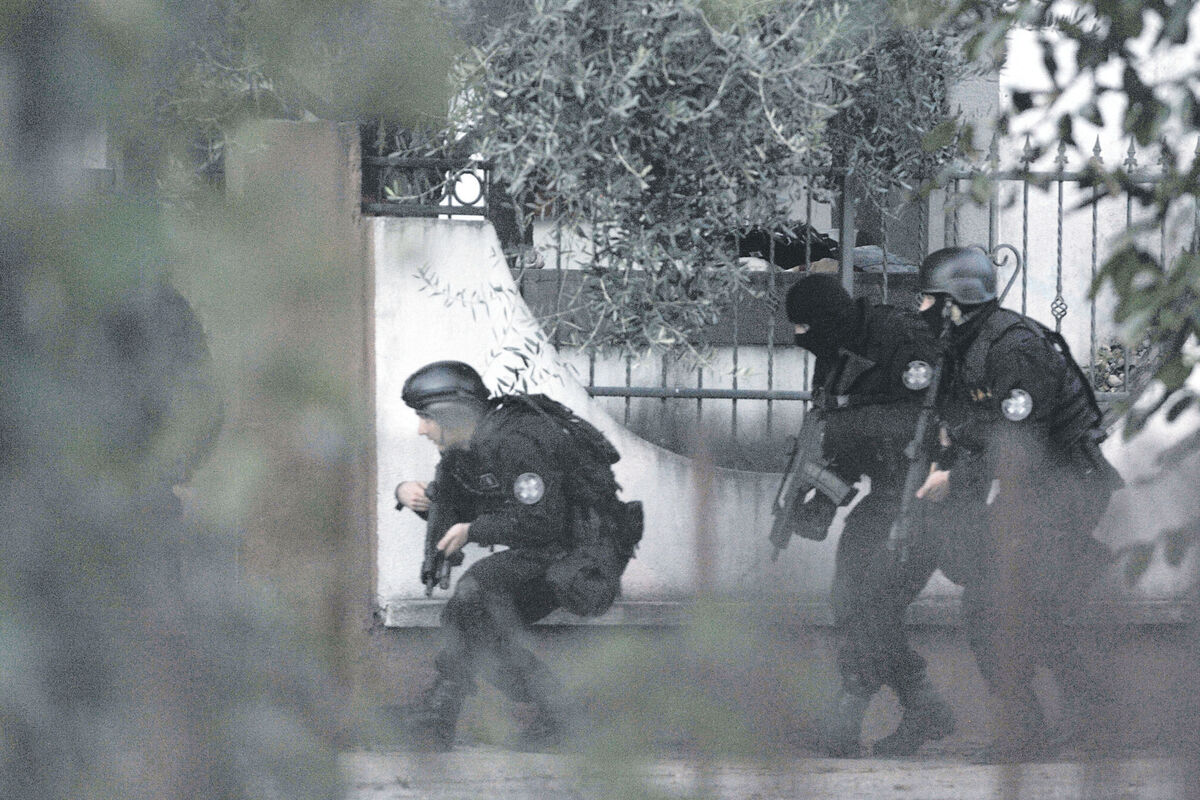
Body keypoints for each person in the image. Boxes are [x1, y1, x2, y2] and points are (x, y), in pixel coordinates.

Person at [914, 247, 1123, 762]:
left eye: (929, 299)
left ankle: (1030, 730)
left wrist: (955, 474)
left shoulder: (1015, 348)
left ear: (955, 302)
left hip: (1066, 485)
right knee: (1029, 610)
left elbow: (1019, 441)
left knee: (991, 606)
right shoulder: (965, 343)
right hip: (1034, 489)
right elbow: (970, 425)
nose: (921, 308)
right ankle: (1095, 715)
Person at [392, 360, 640, 751]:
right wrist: (409, 494)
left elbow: (542, 522)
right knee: (476, 625)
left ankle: (440, 714)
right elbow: (470, 503)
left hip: (583, 554)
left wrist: (473, 531)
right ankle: (558, 718)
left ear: (451, 414)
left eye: (426, 418)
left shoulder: (518, 441)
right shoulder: (470, 447)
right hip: (550, 548)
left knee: (475, 594)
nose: (421, 429)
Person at [784, 273, 955, 757]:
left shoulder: (902, 339)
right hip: (887, 496)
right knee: (850, 597)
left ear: (830, 321)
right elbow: (842, 442)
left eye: (807, 329)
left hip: (930, 497)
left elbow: (925, 420)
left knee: (872, 603)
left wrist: (845, 428)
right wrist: (821, 498)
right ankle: (923, 704)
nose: (802, 341)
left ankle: (848, 715)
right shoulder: (834, 355)